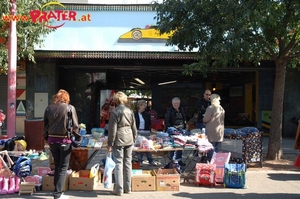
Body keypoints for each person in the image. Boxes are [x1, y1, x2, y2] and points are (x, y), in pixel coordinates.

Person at [43, 89, 80, 199]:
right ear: (66, 98)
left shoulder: (49, 108)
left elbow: (45, 125)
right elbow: (75, 125)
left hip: (52, 140)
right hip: (64, 140)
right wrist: (78, 138)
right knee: (63, 167)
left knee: (58, 165)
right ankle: (58, 194)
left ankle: (57, 191)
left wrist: (46, 138)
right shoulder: (69, 108)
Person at [107, 91, 137, 196]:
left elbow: (112, 130)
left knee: (118, 164)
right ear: (124, 100)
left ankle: (119, 189)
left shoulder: (114, 112)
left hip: (119, 139)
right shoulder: (130, 111)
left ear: (116, 100)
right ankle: (127, 188)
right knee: (128, 163)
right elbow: (134, 127)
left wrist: (109, 144)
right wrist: (134, 138)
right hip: (129, 138)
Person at [202, 94, 225, 162]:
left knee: (211, 149)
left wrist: (203, 118)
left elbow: (206, 119)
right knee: (218, 150)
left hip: (211, 132)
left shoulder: (210, 108)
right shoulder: (221, 108)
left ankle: (211, 163)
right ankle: (217, 164)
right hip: (220, 132)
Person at [165, 97, 187, 166]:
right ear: (172, 103)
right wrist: (173, 129)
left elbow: (184, 119)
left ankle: (179, 159)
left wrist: (185, 125)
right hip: (173, 130)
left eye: (177, 103)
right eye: (175, 103)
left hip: (181, 130)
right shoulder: (169, 111)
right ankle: (172, 161)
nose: (176, 105)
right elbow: (167, 122)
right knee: (173, 146)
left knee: (180, 145)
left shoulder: (181, 110)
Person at [134, 100, 156, 167]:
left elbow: (149, 124)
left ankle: (151, 161)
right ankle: (140, 161)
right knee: (139, 147)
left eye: (145, 105)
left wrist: (150, 133)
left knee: (147, 147)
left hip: (145, 132)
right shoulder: (134, 114)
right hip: (137, 132)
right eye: (143, 105)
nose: (145, 107)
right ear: (139, 106)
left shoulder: (147, 114)